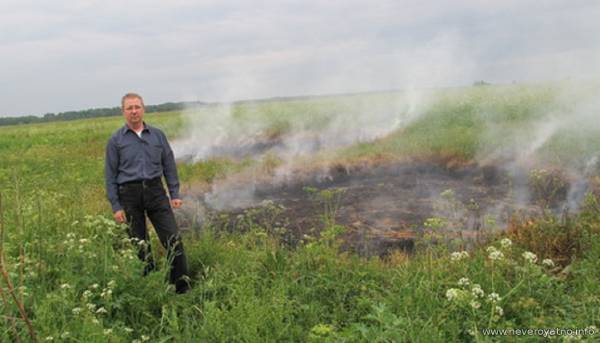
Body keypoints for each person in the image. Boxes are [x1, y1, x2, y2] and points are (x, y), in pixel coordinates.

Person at [105, 93, 190, 294]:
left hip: (155, 192)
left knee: (173, 239)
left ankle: (181, 288)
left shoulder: (158, 135)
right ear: (123, 112)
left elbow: (169, 165)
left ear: (144, 109)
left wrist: (174, 193)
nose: (134, 111)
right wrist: (116, 206)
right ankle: (150, 287)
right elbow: (110, 175)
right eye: (129, 108)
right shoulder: (116, 140)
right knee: (141, 246)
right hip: (129, 195)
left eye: (137, 107)